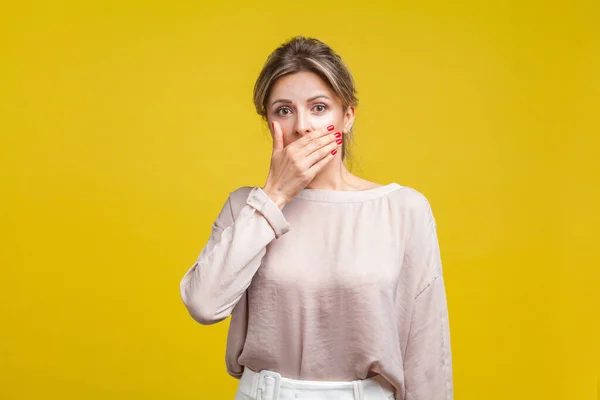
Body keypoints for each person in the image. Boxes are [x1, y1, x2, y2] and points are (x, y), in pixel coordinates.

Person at [180, 36, 454, 400]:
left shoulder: (403, 210)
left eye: (319, 107)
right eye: (283, 110)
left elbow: (426, 357)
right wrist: (275, 196)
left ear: (348, 116)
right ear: (269, 122)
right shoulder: (246, 207)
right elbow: (204, 304)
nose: (302, 126)